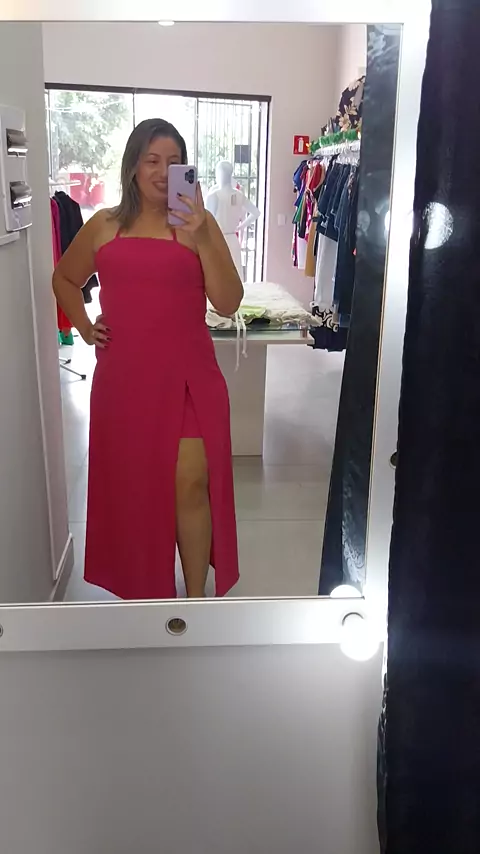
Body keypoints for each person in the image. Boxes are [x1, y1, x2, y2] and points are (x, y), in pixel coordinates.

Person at [53, 119, 243, 600]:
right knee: (136, 489)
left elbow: (228, 302)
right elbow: (65, 278)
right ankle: (146, 590)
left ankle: (195, 600)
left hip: (188, 376)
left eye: (174, 163)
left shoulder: (199, 225)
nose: (162, 172)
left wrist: (202, 234)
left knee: (190, 481)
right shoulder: (104, 225)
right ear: (133, 166)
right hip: (125, 381)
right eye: (152, 160)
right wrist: (84, 327)